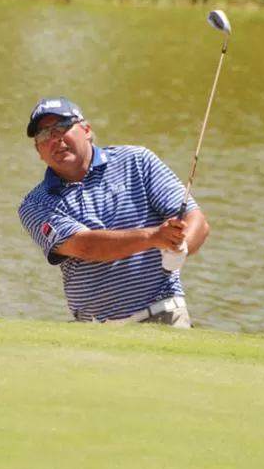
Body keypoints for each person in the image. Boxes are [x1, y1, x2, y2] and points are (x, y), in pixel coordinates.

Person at [18, 96, 210, 327]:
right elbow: (84, 246)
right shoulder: (36, 204)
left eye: (62, 126)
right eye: (44, 134)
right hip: (94, 330)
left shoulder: (137, 161)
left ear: (87, 130)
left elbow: (196, 220)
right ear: (39, 150)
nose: (55, 138)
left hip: (163, 315)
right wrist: (153, 237)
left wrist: (180, 245)